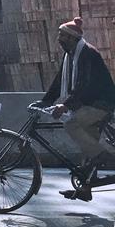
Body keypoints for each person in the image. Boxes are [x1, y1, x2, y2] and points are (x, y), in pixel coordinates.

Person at [41, 16, 115, 201]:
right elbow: (59, 81)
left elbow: (84, 85)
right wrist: (45, 101)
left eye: (63, 36)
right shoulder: (71, 55)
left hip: (101, 105)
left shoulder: (87, 53)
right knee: (87, 145)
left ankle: (100, 156)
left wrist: (65, 105)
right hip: (89, 104)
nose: (59, 40)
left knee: (72, 124)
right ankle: (85, 189)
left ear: (73, 38)